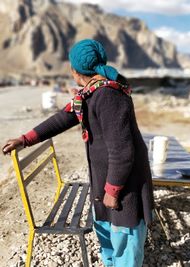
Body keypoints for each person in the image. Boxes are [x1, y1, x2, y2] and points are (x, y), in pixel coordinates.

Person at [2, 39, 154, 267]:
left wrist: (112, 191)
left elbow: (123, 152)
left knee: (125, 239)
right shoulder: (90, 92)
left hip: (124, 186)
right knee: (108, 235)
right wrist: (26, 139)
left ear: (75, 70)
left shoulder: (109, 96)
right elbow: (63, 118)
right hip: (107, 181)